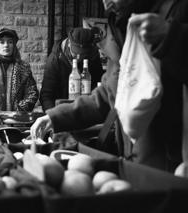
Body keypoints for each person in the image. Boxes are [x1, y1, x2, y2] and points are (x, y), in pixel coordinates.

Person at [30, 0, 188, 173]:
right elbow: (108, 93)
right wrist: (54, 118)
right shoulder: (121, 22)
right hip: (134, 164)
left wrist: (172, 37)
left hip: (172, 165)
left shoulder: (178, 10)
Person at [40, 27, 104, 112]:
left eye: (83, 54)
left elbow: (98, 85)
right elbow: (46, 95)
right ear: (69, 43)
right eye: (75, 53)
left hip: (86, 110)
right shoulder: (55, 60)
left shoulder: (93, 56)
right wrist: (53, 116)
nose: (79, 57)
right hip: (60, 109)